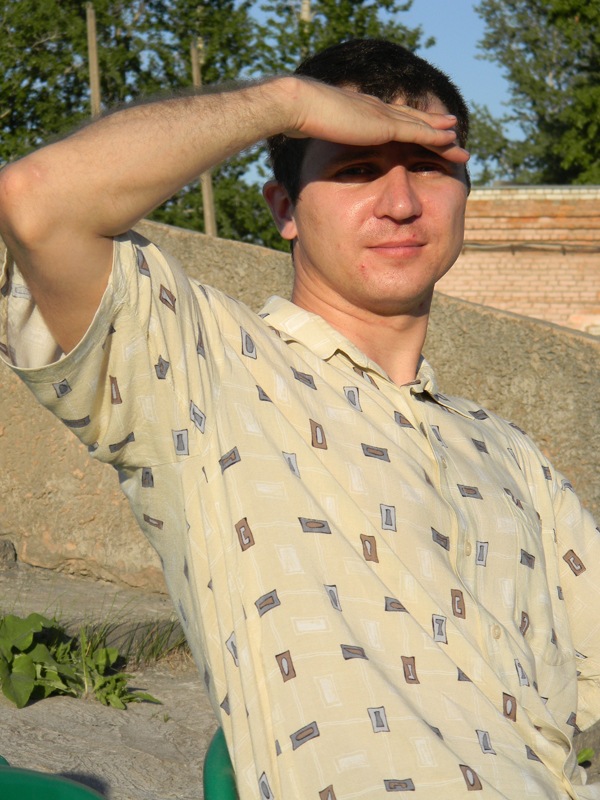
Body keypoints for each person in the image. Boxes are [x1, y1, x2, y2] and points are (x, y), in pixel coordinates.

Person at [0, 38, 598, 800]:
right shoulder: (206, 369)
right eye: (355, 169)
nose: (401, 202)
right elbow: (37, 200)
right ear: (284, 209)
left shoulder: (511, 453)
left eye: (428, 167)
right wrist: (285, 102)